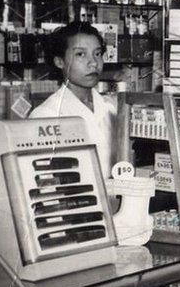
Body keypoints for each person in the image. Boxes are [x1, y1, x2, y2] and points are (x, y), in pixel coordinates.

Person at [30, 22, 117, 179]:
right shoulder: (46, 115)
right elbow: (42, 180)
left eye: (97, 53)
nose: (93, 63)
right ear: (59, 62)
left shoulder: (110, 107)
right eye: (80, 54)